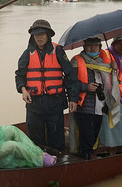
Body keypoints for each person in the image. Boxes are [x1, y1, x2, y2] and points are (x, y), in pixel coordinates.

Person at [15, 19, 80, 152]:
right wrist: (23, 89)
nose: (39, 37)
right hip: (34, 104)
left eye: (42, 34)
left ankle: (58, 162)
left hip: (55, 103)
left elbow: (70, 76)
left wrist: (73, 98)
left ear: (48, 35)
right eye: (36, 34)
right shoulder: (27, 54)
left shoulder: (58, 51)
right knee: (35, 141)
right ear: (32, 36)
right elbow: (19, 75)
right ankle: (39, 163)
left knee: (56, 139)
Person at [71, 36, 119, 160]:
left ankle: (86, 161)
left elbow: (112, 84)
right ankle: (83, 163)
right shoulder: (76, 62)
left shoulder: (105, 63)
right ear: (84, 47)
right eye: (89, 45)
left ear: (100, 47)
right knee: (85, 139)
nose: (92, 48)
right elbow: (70, 83)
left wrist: (113, 69)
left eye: (95, 45)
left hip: (100, 106)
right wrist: (85, 87)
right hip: (84, 107)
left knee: (94, 138)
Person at [100, 34, 122, 155]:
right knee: (109, 131)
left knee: (121, 132)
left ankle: (118, 153)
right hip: (107, 101)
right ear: (113, 44)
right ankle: (110, 154)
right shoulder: (104, 55)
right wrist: (108, 67)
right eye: (119, 43)